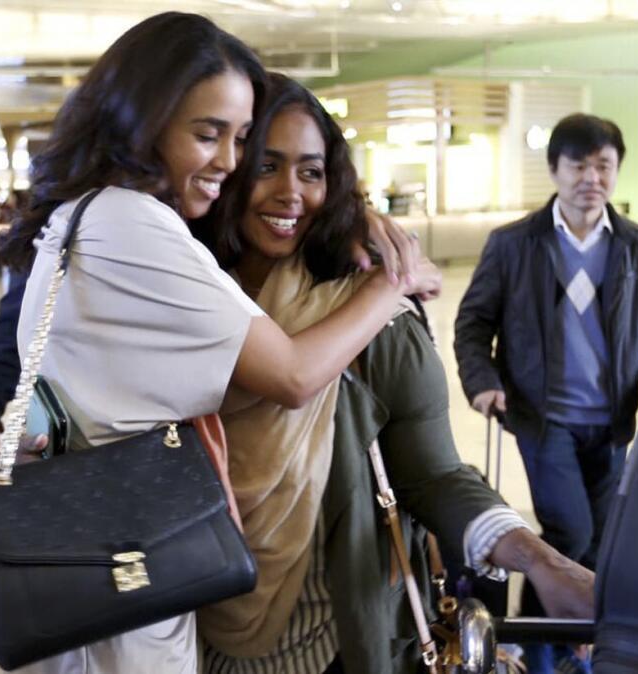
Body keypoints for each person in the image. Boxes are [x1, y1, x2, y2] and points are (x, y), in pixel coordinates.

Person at [0, 14, 439, 674]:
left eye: (237, 139)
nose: (226, 162)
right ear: (145, 119)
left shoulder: (81, 214)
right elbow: (288, 376)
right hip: (122, 581)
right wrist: (388, 284)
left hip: (92, 562)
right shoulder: (133, 223)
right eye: (209, 135)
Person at [191, 73, 593, 674]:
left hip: (336, 640)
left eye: (311, 171)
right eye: (266, 166)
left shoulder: (369, 317)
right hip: (189, 628)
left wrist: (539, 559)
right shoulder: (180, 303)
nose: (290, 193)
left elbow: (433, 476)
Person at [454, 113, 638, 674]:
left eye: (604, 165)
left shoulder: (637, 249)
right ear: (555, 169)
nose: (591, 178)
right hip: (540, 416)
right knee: (570, 530)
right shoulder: (514, 245)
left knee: (601, 541)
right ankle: (541, 645)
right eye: (578, 164)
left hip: (613, 424)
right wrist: (483, 383)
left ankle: (572, 645)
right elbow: (473, 323)